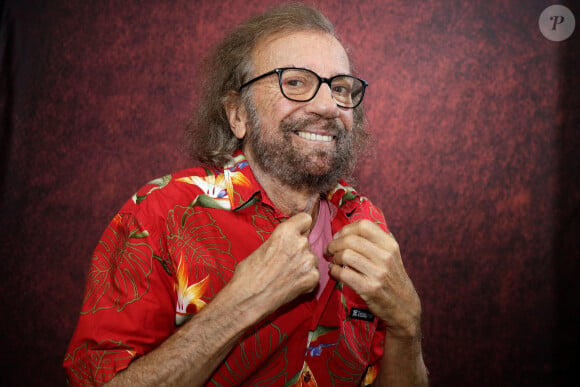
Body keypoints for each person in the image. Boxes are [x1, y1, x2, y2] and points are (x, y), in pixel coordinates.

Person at [64, 4, 428, 386]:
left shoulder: (366, 221)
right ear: (237, 114)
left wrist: (407, 325)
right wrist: (242, 304)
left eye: (340, 88)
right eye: (295, 82)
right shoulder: (160, 214)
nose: (327, 106)